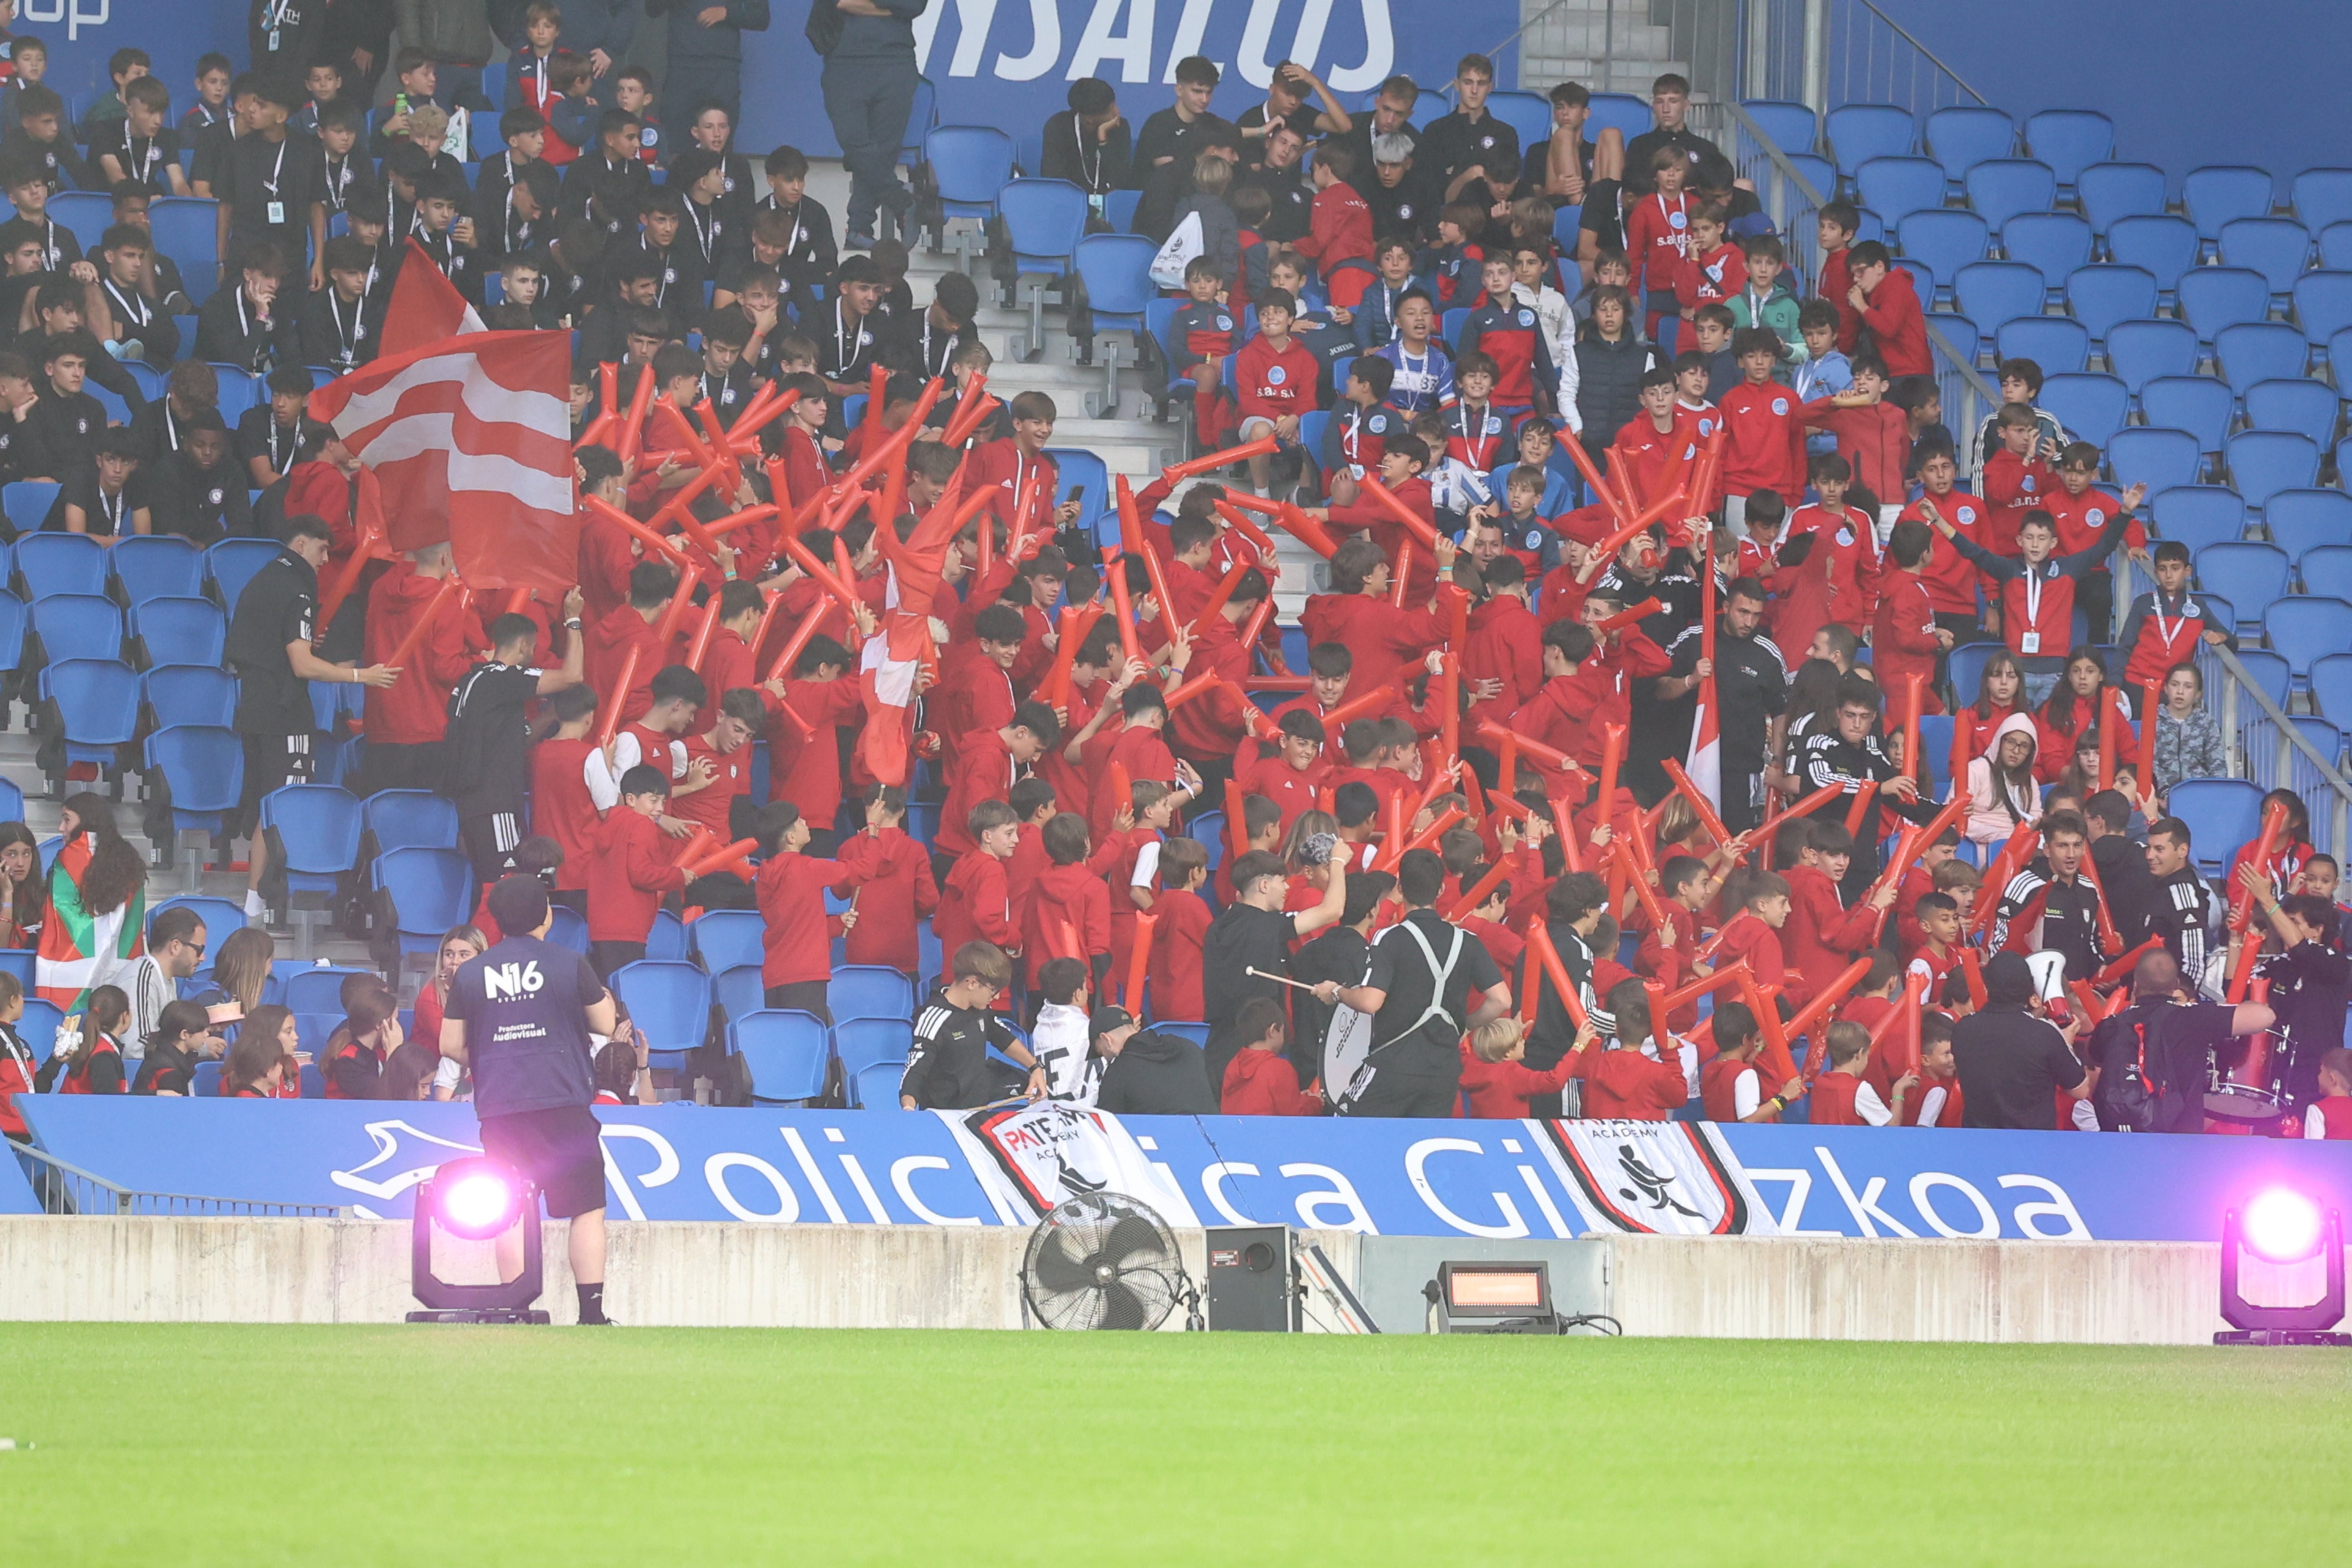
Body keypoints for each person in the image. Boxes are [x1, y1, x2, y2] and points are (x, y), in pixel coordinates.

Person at [439, 874, 620, 1325]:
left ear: (497, 921)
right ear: (547, 916)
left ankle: (516, 1312)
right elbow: (604, 1021)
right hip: (564, 1103)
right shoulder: (568, 962)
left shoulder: (472, 973)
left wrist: (490, 1053)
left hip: (502, 1108)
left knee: (512, 1209)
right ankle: (592, 1315)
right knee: (586, 1209)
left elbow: (449, 1044)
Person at [228, 515, 398, 923]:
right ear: (302, 544)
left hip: (252, 709)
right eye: (323, 549)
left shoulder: (261, 580)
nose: (326, 560)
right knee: (285, 805)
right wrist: (361, 675)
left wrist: (303, 643)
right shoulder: (299, 588)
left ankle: (257, 900)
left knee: (266, 803)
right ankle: (259, 901)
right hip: (286, 714)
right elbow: (301, 666)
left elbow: (262, 644)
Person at [1313, 848, 1509, 1117]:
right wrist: (1466, 1024)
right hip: (1443, 1072)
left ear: (1401, 889)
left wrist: (1337, 991)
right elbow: (1501, 1000)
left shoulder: (1389, 938)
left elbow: (1370, 1001)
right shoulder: (1468, 941)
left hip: (1392, 1066)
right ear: (1440, 890)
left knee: (1346, 1129)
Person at [443, 604, 587, 888]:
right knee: (507, 884)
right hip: (494, 802)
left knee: (489, 885)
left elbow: (515, 739)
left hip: (473, 802)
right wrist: (572, 618)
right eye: (532, 648)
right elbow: (572, 676)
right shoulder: (502, 678)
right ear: (523, 645)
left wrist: (548, 717)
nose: (533, 656)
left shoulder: (473, 679)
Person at [1199, 845, 1349, 1087]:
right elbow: (1332, 910)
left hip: (1217, 1051)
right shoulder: (1269, 925)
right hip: (1255, 1057)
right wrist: (1339, 860)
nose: (1288, 888)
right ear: (1264, 886)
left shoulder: (1217, 926)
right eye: (1282, 881)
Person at [1949, 950, 2092, 1130]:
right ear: (2029, 988)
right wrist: (2065, 1044)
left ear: (1987, 987)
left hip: (1979, 1141)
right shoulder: (2044, 1033)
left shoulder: (1963, 1029)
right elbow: (2081, 1090)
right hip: (2032, 1144)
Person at [35, 792, 146, 1013]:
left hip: (70, 982)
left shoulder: (69, 859)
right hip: (121, 975)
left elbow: (58, 919)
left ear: (86, 820)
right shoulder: (130, 861)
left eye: (67, 819)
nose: (61, 828)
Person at [900, 940, 1036, 1109]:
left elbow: (1003, 1037)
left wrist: (1035, 1068)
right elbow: (915, 1071)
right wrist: (908, 1109)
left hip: (979, 1108)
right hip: (948, 1116)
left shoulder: (981, 1009)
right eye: (993, 990)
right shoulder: (933, 1017)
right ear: (972, 983)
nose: (997, 997)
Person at [120, 905, 207, 1068]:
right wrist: (197, 1047)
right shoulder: (141, 978)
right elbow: (136, 1047)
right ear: (175, 946)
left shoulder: (168, 979)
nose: (203, 958)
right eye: (199, 950)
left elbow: (170, 1036)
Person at [1095, 1018, 1219, 1115]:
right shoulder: (1191, 1047)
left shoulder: (1118, 1070)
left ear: (1107, 1040)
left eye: (1101, 1052)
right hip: (1213, 1137)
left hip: (1158, 1143)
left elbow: (1107, 1127)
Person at [130, 1000, 224, 1095]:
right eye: (202, 1030)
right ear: (184, 1034)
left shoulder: (165, 1055)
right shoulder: (168, 1072)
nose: (207, 1034)